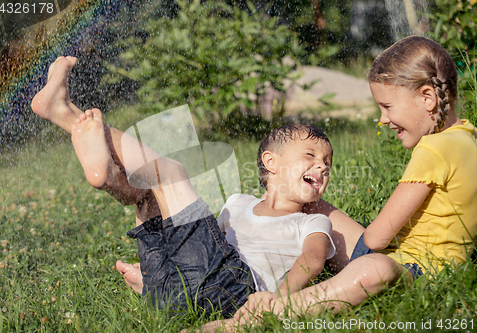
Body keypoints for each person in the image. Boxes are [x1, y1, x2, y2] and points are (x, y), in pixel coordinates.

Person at [209, 36, 477, 328]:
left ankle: (264, 313)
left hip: (414, 271)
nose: (382, 119)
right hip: (409, 257)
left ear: (427, 98)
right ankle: (277, 247)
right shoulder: (472, 136)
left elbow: (375, 239)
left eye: (388, 106)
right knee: (311, 204)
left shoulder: (433, 149)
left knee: (373, 269)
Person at [31, 57, 337, 317]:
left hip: (236, 291)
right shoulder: (237, 203)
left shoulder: (313, 222)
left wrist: (278, 299)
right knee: (147, 196)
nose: (322, 166)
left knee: (171, 174)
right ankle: (109, 176)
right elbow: (199, 246)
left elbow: (312, 259)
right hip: (183, 285)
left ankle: (69, 117)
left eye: (328, 163)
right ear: (271, 163)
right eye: (310, 156)